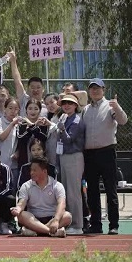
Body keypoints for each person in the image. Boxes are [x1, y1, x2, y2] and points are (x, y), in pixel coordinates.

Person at [82, 78, 128, 235]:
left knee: (111, 190)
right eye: (92, 88)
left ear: (104, 89)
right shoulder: (85, 109)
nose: (95, 91)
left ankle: (113, 225)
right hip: (89, 155)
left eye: (98, 88)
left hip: (107, 153)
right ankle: (96, 224)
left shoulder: (111, 106)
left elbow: (123, 121)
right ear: (89, 91)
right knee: (93, 192)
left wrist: (117, 107)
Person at [12, 156, 72, 237]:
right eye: (31, 170)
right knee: (21, 215)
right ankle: (50, 232)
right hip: (33, 219)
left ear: (44, 171)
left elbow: (62, 204)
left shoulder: (57, 185)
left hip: (52, 218)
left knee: (67, 216)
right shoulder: (26, 186)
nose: (31, 173)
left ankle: (35, 231)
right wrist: (17, 209)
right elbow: (21, 203)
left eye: (34, 170)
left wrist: (56, 220)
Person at [56, 93, 86, 235]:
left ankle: (78, 225)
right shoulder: (65, 118)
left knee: (73, 192)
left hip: (73, 157)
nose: (66, 105)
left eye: (70, 103)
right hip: (64, 156)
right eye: (64, 103)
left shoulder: (76, 120)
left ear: (75, 105)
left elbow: (69, 140)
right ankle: (70, 222)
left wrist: (61, 129)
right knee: (66, 192)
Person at [7, 49, 47, 117]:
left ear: (43, 89)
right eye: (32, 87)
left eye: (38, 87)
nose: (35, 90)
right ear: (27, 89)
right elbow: (17, 81)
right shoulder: (24, 99)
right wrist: (13, 61)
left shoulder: (47, 105)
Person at [0, 97, 20, 170]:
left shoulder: (19, 125)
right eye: (10, 108)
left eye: (16, 109)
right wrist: (12, 124)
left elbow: (20, 142)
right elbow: (2, 137)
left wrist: (18, 152)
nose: (13, 111)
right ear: (5, 109)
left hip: (13, 164)